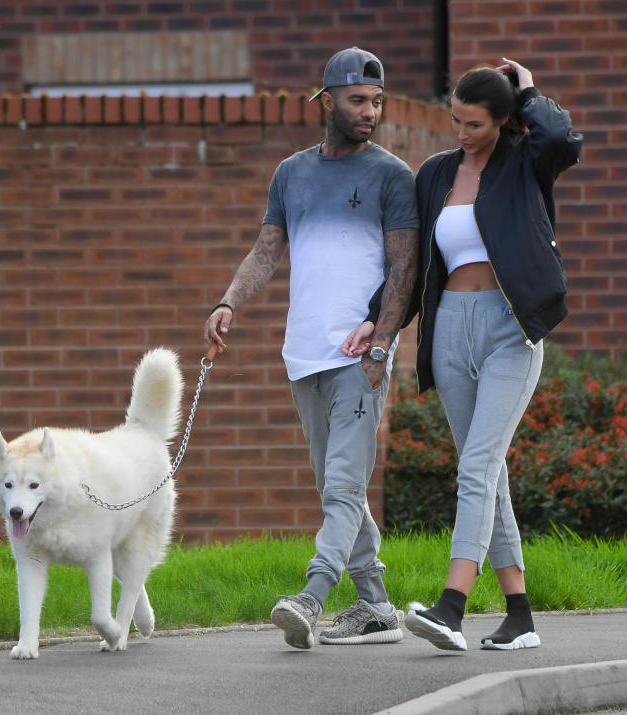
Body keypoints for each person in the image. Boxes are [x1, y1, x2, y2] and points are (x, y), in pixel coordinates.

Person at [347, 58, 583, 651]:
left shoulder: (528, 161)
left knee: (475, 467)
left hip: (510, 331)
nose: (462, 133)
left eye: (474, 124)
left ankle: (452, 605)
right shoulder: (436, 174)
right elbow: (411, 263)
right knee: (488, 472)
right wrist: (379, 321)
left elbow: (560, 136)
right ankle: (520, 615)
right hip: (450, 330)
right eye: (455, 120)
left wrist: (528, 91)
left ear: (504, 121)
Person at [204, 47, 419, 650]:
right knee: (333, 488)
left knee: (346, 486)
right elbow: (267, 250)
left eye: (377, 101)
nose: (370, 111)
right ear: (326, 101)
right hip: (303, 355)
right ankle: (376, 607)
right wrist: (227, 303)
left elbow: (404, 271)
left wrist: (381, 345)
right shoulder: (291, 173)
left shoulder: (392, 175)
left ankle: (312, 594)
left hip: (359, 356)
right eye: (358, 100)